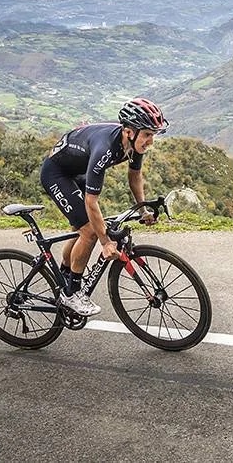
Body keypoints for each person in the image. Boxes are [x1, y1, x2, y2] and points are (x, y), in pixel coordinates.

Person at [40, 97, 168, 316]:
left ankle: (65, 274)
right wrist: (106, 242)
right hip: (57, 173)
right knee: (90, 231)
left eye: (152, 135)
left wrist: (142, 210)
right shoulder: (105, 149)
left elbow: (134, 176)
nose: (150, 142)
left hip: (77, 172)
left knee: (80, 227)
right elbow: (91, 202)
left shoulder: (134, 144)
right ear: (129, 131)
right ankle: (71, 294)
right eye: (147, 135)